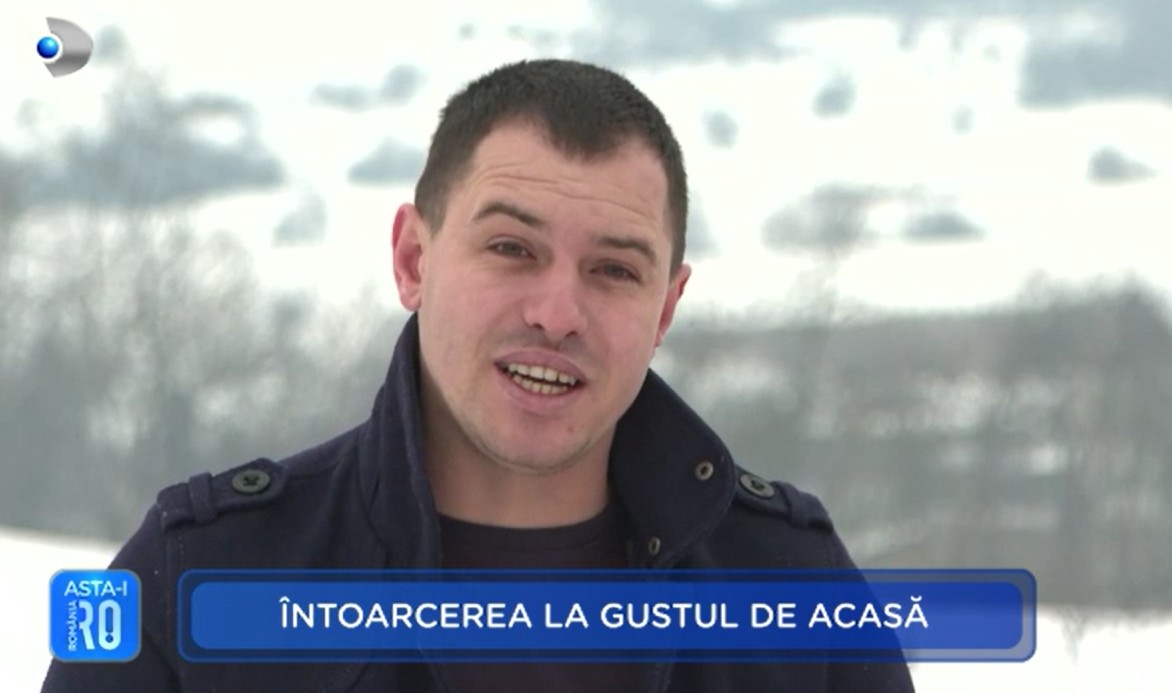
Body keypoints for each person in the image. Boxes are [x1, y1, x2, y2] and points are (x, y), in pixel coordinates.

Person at [42, 58, 914, 692]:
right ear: (413, 260)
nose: (558, 312)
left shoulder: (796, 591)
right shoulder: (192, 576)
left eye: (614, 269)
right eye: (511, 248)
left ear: (665, 310)